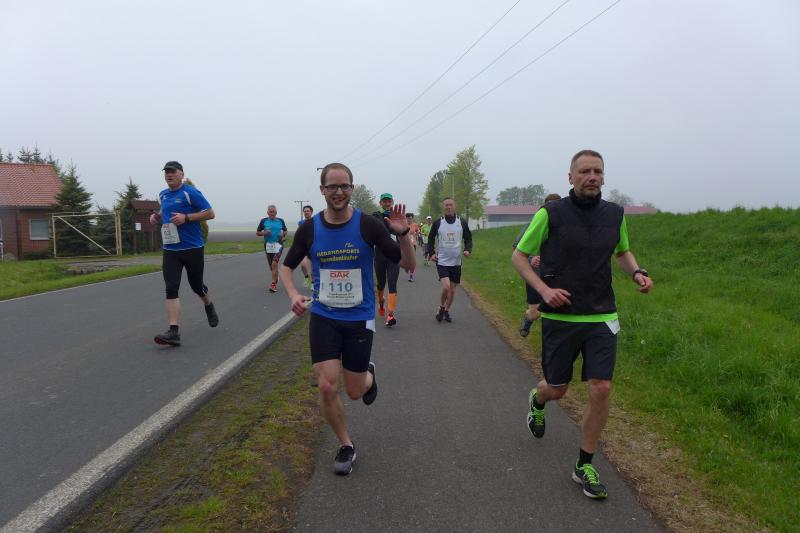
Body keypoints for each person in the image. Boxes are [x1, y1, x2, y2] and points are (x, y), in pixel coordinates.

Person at [512, 150, 653, 500]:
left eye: (598, 171)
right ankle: (538, 400)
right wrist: (544, 290)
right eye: (585, 171)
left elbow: (622, 251)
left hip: (602, 315)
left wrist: (636, 271)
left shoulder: (614, 214)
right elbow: (519, 256)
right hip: (561, 316)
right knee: (557, 389)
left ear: (604, 177)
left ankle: (584, 464)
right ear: (571, 177)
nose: (592, 176)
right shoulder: (551, 214)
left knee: (601, 387)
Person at [279, 162, 415, 476]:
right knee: (327, 386)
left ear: (352, 189)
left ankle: (369, 376)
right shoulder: (310, 228)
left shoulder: (368, 225)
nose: (338, 192)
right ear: (322, 190)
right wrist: (293, 294)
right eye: (332, 187)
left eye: (344, 186)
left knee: (353, 391)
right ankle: (345, 444)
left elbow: (408, 265)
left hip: (359, 318)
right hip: (324, 316)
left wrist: (403, 234)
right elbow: (287, 267)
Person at [149, 161, 218, 346]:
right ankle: (173, 331)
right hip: (171, 249)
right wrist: (156, 217)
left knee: (197, 286)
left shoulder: (190, 192)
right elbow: (165, 213)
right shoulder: (163, 194)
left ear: (181, 174)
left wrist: (186, 217)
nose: (169, 175)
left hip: (192, 248)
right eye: (166, 172)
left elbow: (210, 213)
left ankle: (208, 304)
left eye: (173, 171)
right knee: (171, 287)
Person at [515, 193, 562, 337]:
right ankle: (528, 318)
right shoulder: (535, 223)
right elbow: (517, 248)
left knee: (557, 312)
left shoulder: (567, 226)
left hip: (558, 274)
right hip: (536, 274)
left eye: (557, 205)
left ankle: (552, 341)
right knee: (535, 312)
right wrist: (530, 259)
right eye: (550, 205)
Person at [427, 197, 472, 323]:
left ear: (454, 206)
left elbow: (468, 238)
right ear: (443, 207)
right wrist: (431, 253)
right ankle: (442, 307)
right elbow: (431, 238)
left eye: (450, 205)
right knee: (446, 288)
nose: (448, 207)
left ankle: (446, 311)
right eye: (446, 205)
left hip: (456, 262)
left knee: (452, 290)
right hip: (442, 261)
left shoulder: (461, 222)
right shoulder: (438, 222)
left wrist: (467, 249)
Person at [372, 193, 402, 327]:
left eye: (389, 201)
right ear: (380, 203)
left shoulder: (397, 216)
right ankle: (381, 301)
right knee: (381, 283)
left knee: (392, 283)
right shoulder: (376, 215)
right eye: (384, 201)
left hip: (394, 254)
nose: (387, 203)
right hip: (380, 254)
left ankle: (390, 314)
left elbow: (402, 232)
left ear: (392, 202)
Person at [256, 205, 288, 293]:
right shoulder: (264, 221)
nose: (272, 213)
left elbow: (285, 231)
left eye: (273, 211)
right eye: (270, 211)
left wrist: (283, 234)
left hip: (278, 244)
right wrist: (264, 233)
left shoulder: (280, 221)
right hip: (268, 245)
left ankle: (273, 284)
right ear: (267, 213)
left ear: (276, 212)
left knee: (274, 264)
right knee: (272, 266)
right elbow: (257, 233)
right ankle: (275, 276)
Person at [297, 205, 315, 288]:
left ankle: (313, 283)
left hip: (313, 247)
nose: (306, 212)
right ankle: (306, 277)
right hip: (304, 247)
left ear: (311, 212)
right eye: (305, 211)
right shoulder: (301, 223)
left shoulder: (315, 222)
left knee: (313, 267)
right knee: (303, 265)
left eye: (308, 211)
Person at [405, 213, 420, 282]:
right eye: (408, 218)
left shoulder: (415, 225)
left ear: (412, 219)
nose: (409, 220)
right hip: (405, 245)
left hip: (413, 244)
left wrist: (416, 234)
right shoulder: (404, 225)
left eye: (410, 218)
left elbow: (418, 231)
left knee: (412, 260)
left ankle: (411, 275)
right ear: (406, 218)